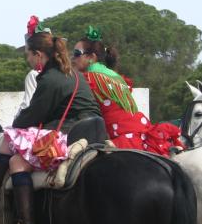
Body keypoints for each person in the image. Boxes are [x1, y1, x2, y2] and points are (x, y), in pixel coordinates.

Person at [0, 18, 100, 224]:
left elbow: (30, 117)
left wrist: (14, 126)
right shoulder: (73, 72)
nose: (27, 59)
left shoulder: (49, 79)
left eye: (28, 55)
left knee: (15, 157)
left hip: (70, 134)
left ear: (39, 55)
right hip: (94, 130)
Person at [71, 26, 184, 156]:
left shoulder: (88, 78)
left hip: (121, 138)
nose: (73, 59)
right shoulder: (115, 76)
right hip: (141, 131)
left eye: (76, 54)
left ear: (91, 57)